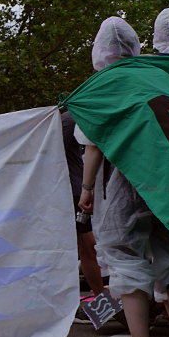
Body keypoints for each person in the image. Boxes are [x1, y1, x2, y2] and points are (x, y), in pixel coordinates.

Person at [77, 16, 169, 337]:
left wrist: (87, 189)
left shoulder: (106, 84)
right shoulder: (161, 75)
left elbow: (93, 144)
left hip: (128, 179)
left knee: (125, 257)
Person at [61, 111, 104, 299]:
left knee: (88, 246)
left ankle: (101, 298)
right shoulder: (70, 120)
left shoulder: (74, 118)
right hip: (74, 191)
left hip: (77, 190)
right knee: (87, 246)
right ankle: (101, 299)